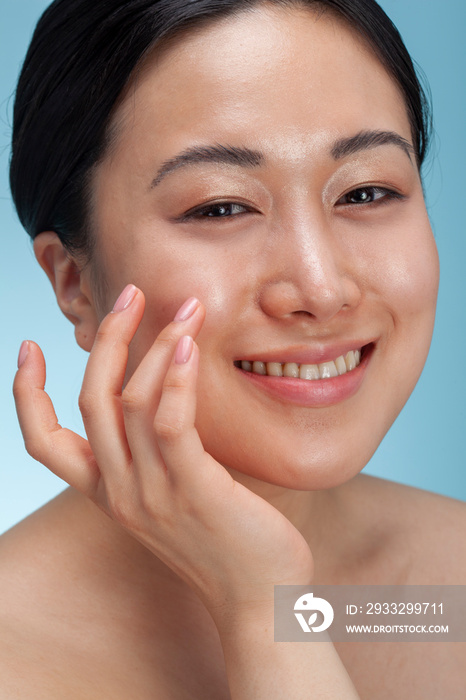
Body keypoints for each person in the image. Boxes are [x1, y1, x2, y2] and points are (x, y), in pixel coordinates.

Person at [3, 0, 465, 697]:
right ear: (74, 282)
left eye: (367, 191)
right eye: (221, 207)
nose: (321, 287)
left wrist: (274, 613)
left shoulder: (440, 601)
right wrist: (259, 609)